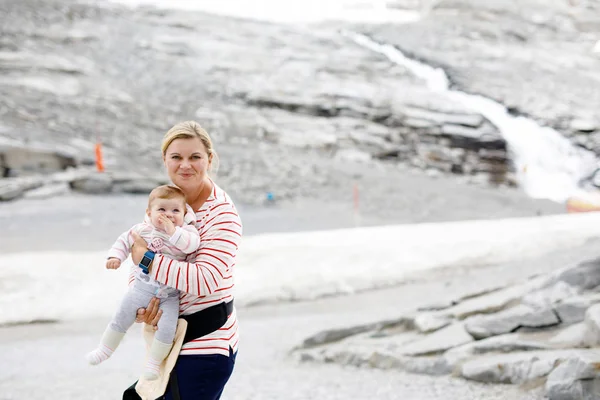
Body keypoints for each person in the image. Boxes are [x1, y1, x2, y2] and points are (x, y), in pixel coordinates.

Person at [126, 121, 242, 400]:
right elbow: (139, 253)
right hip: (169, 340)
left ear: (210, 160)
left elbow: (204, 279)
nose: (185, 165)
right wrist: (141, 305)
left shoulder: (222, 215)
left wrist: (148, 261)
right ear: (165, 159)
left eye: (195, 157)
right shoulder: (165, 202)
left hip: (207, 344)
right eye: (176, 157)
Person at [86, 185, 201, 381]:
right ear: (149, 213)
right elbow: (124, 241)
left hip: (169, 296)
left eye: (175, 211)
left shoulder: (185, 232)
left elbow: (192, 245)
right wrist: (115, 256)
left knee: (167, 329)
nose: (169, 215)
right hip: (140, 288)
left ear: (185, 213)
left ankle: (154, 363)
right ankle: (105, 349)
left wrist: (173, 231)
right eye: (162, 210)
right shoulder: (143, 229)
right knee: (121, 316)